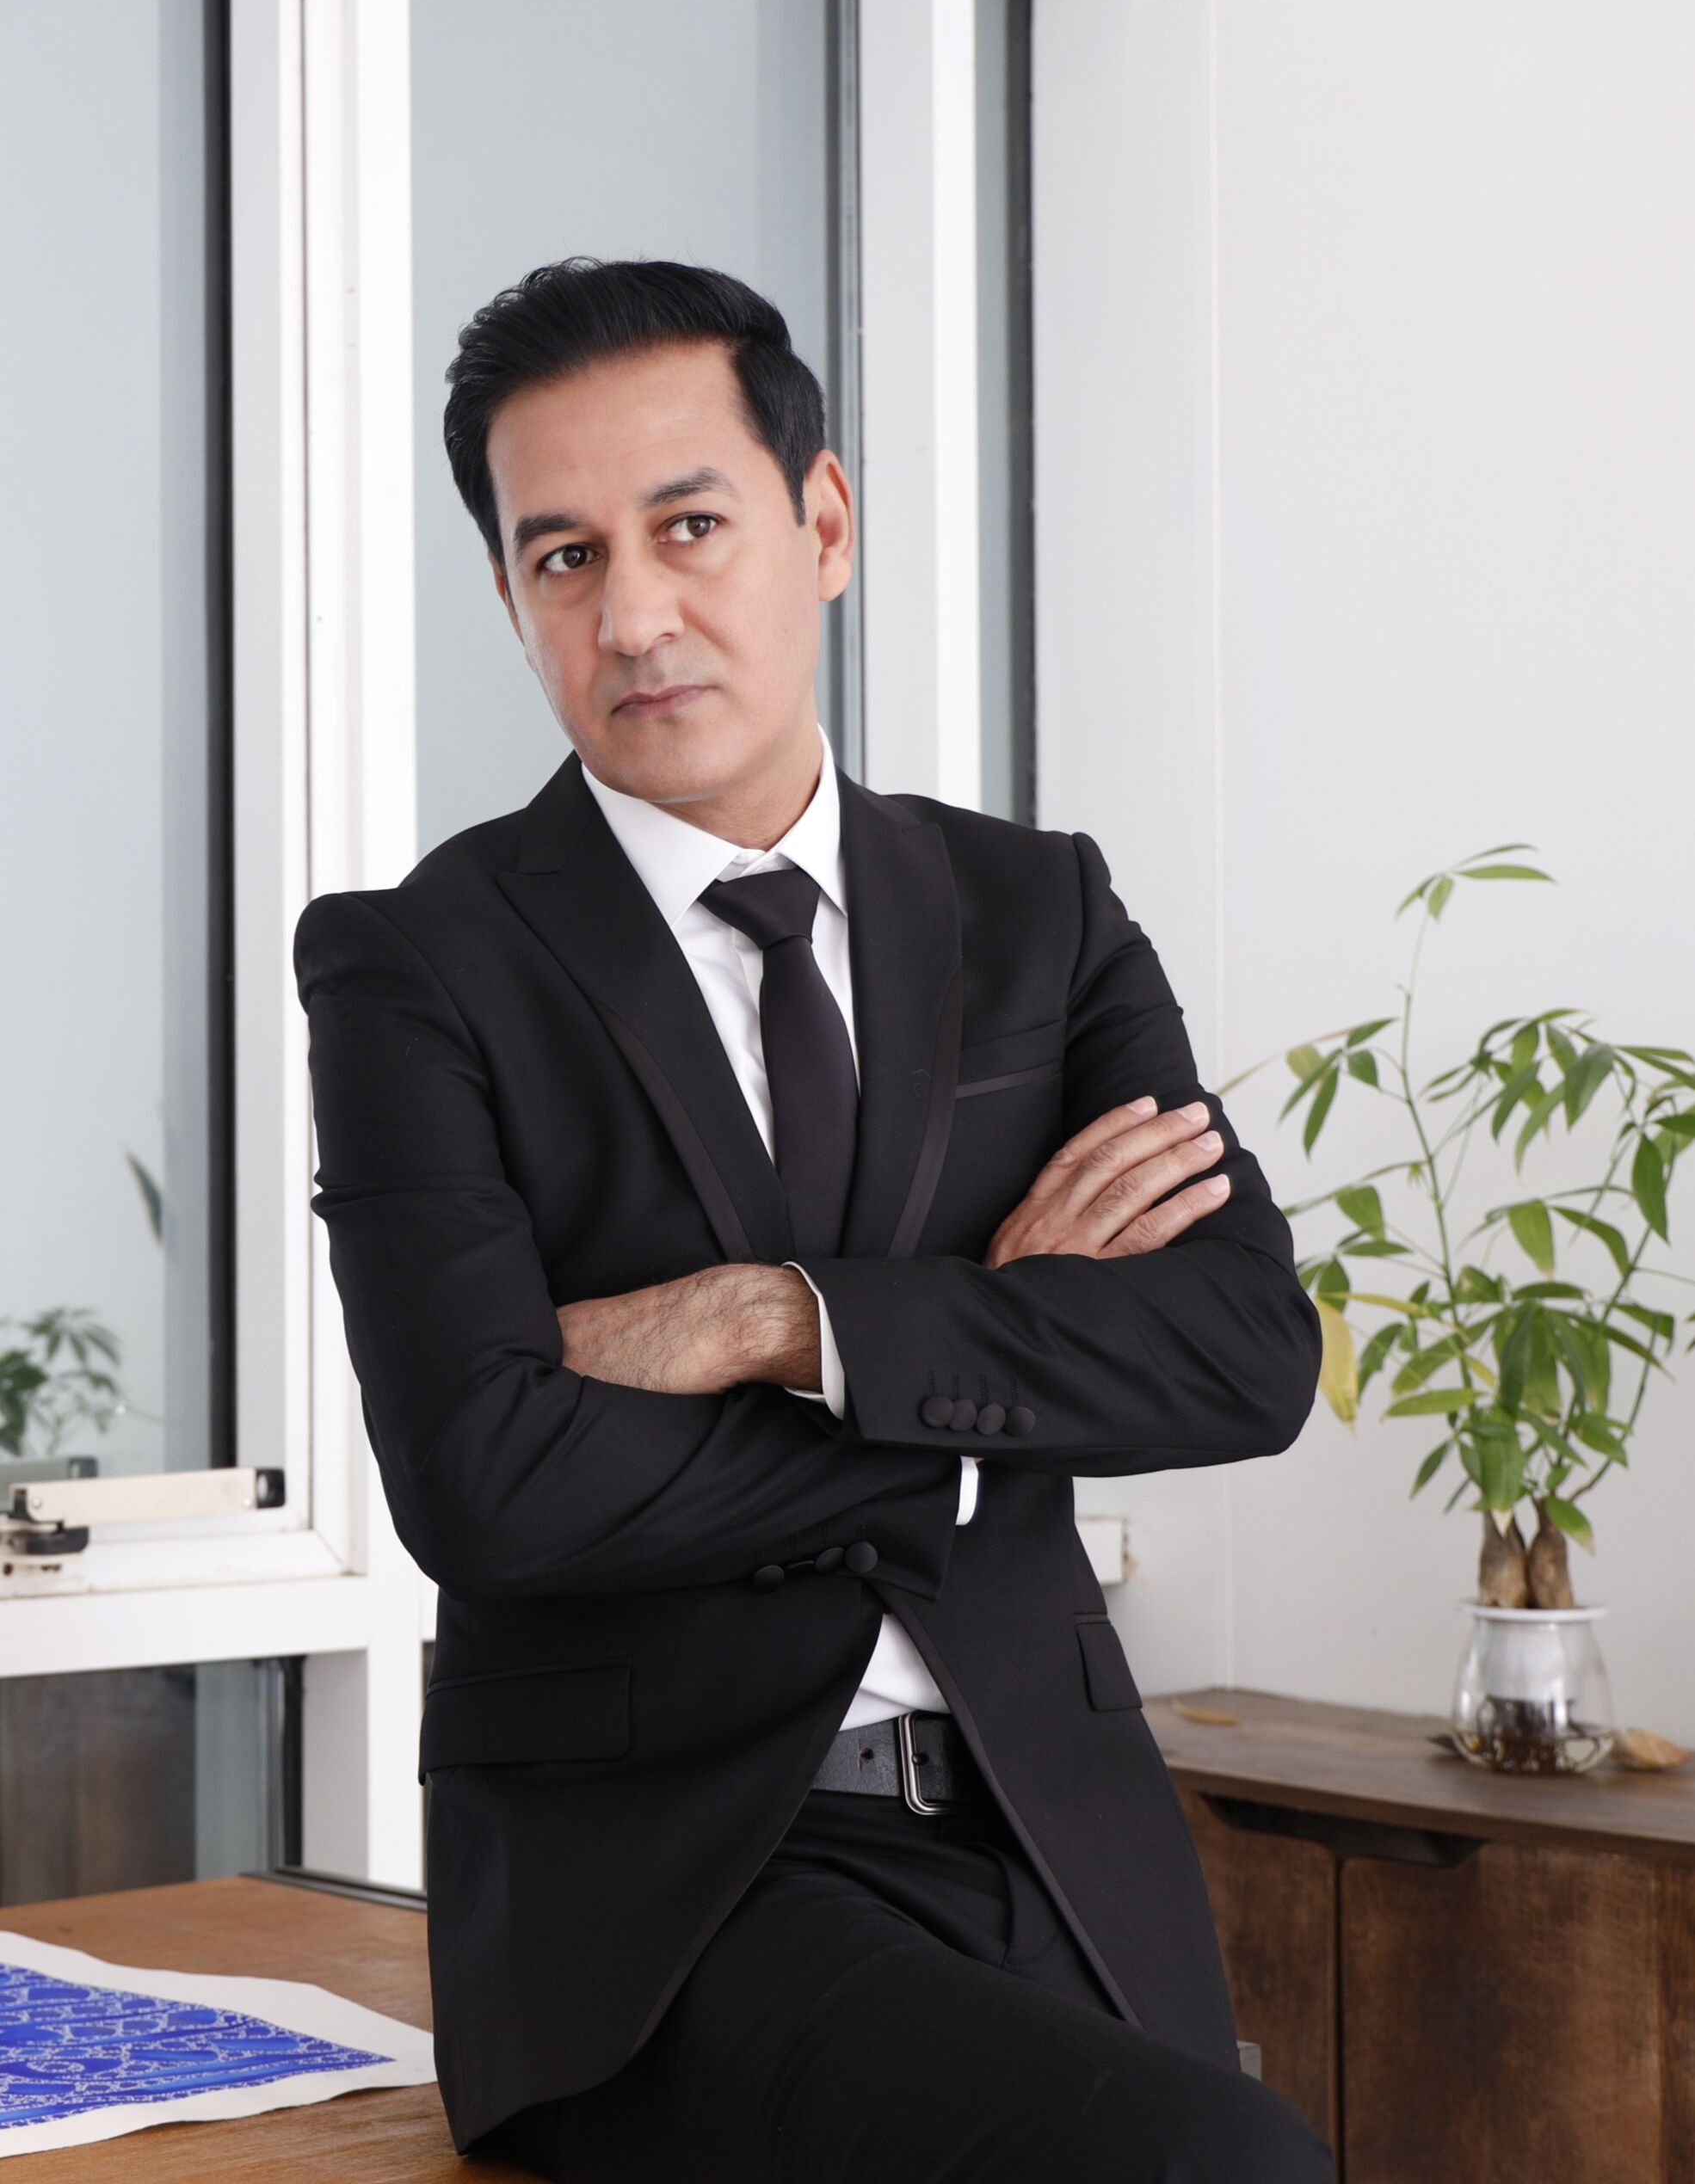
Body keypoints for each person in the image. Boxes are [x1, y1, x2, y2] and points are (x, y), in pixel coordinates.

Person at [293, 255, 1334, 2183]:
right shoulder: (417, 966)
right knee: (1219, 2164)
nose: (633, 615)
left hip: (1054, 1829)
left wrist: (771, 1320)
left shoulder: (1038, 911)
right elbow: (486, 1482)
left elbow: (1243, 1354)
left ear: (824, 523)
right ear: (513, 600)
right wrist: (976, 1373)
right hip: (668, 1894)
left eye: (687, 526)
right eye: (562, 558)